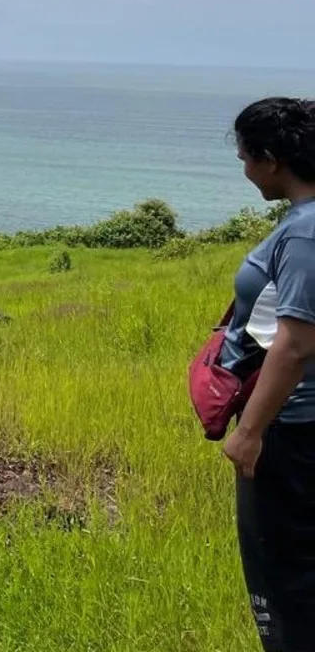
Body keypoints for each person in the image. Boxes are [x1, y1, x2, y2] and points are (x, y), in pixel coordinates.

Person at [220, 97, 315, 651]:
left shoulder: (306, 232)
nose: (244, 167)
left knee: (285, 580)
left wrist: (249, 433)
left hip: (294, 430)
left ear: (271, 159)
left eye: (244, 157)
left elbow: (297, 344)